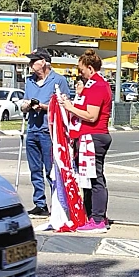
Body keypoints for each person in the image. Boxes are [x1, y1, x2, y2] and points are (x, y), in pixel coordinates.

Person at [57, 50, 113, 233]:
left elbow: (91, 115)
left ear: (90, 68)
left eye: (81, 70)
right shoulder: (91, 86)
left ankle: (97, 219)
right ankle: (93, 215)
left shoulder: (97, 86)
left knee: (95, 178)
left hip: (93, 136)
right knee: (89, 178)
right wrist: (75, 99)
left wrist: (70, 107)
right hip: (87, 136)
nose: (79, 73)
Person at [20, 48, 70, 217]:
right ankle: (40, 203)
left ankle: (58, 202)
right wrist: (27, 106)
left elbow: (64, 105)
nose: (31, 64)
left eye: (34, 60)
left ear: (44, 62)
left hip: (49, 130)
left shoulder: (59, 80)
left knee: (51, 169)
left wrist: (43, 106)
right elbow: (25, 101)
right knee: (35, 169)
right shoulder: (29, 81)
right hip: (32, 129)